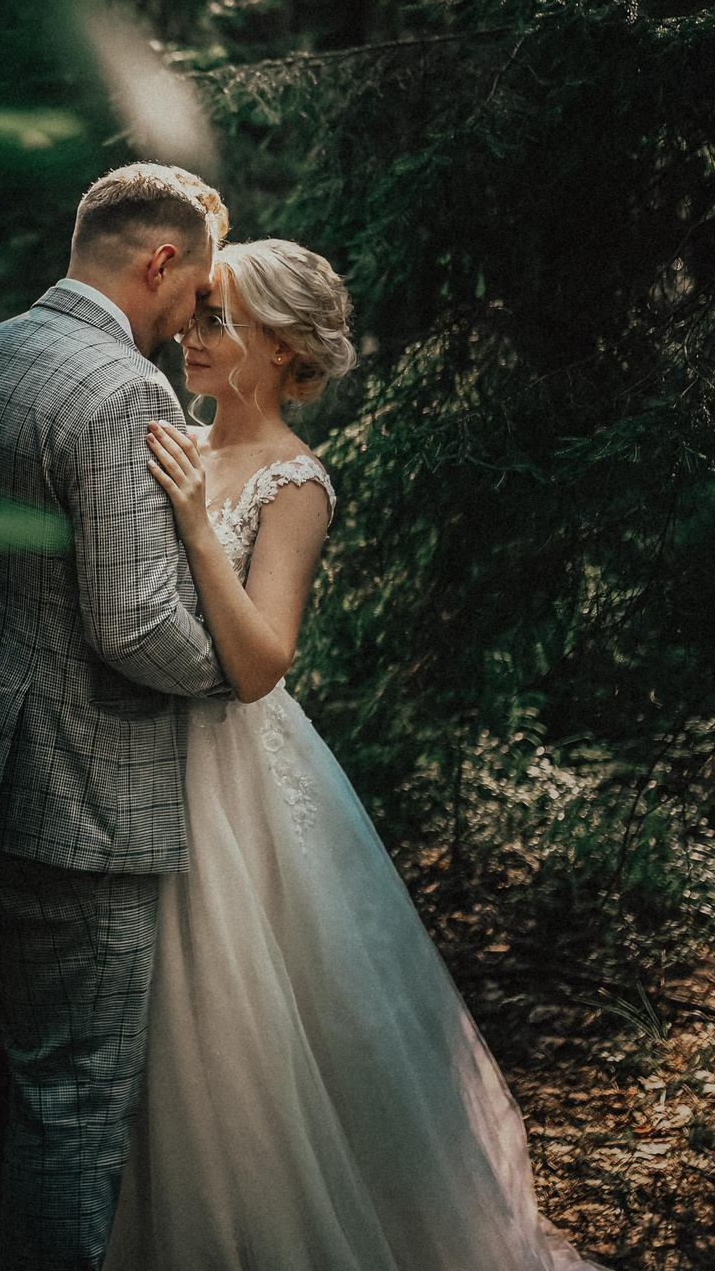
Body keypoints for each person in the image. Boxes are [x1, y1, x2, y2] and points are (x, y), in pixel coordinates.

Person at [108, 238, 597, 1271]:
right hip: (140, 760)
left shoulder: (293, 481)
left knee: (236, 1027)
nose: (194, 336)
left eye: (220, 320)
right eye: (195, 314)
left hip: (236, 782)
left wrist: (198, 527)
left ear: (288, 351)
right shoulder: (169, 436)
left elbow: (260, 664)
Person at [0, 162, 236, 1271]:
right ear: (159, 260)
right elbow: (132, 624)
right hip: (68, 797)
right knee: (72, 1093)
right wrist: (239, 673)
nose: (191, 320)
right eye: (197, 286)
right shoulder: (122, 390)